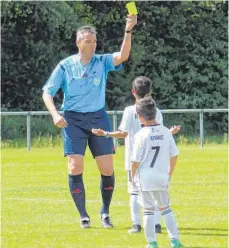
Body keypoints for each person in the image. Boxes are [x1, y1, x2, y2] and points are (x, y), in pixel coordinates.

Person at [42, 15, 137, 229]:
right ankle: (83, 216)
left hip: (97, 117)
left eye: (95, 41)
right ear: (78, 42)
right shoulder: (65, 66)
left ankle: (105, 212)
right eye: (88, 41)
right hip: (72, 120)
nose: (93, 45)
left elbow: (123, 55)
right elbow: (47, 93)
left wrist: (128, 30)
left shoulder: (102, 62)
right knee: (75, 166)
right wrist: (56, 115)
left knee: (107, 168)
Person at [92, 76, 180, 234]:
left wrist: (105, 133)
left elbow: (123, 133)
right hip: (155, 160)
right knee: (156, 191)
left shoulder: (129, 111)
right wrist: (169, 132)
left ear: (133, 92)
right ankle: (157, 224)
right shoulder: (156, 111)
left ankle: (136, 224)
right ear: (150, 92)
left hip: (134, 158)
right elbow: (158, 130)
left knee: (134, 191)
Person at [131, 96, 183, 248]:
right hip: (161, 176)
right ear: (155, 113)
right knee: (166, 209)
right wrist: (169, 174)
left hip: (145, 177)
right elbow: (174, 155)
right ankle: (174, 241)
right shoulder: (166, 132)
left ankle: (152, 243)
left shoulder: (141, 135)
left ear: (140, 116)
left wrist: (132, 177)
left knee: (148, 211)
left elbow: (135, 161)